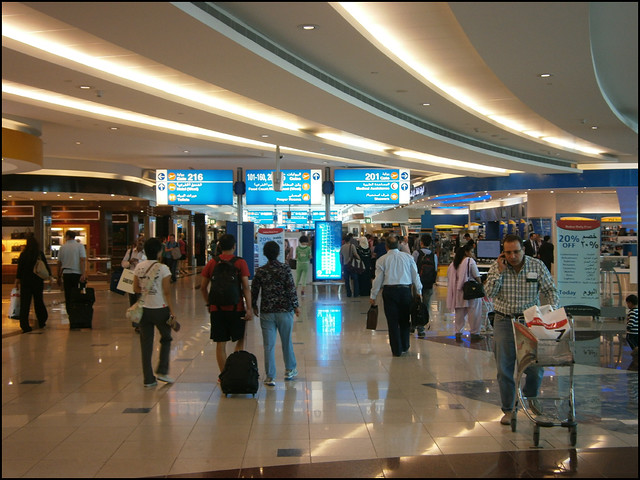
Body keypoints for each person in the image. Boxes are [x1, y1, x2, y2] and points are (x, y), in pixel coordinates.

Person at [484, 234, 559, 426]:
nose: (513, 256)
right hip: (504, 321)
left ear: (523, 250)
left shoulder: (536, 266)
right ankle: (509, 409)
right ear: (503, 252)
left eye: (516, 251)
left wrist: (551, 311)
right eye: (508, 252)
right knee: (504, 369)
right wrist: (500, 272)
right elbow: (489, 293)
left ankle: (530, 396)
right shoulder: (497, 267)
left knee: (535, 367)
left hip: (529, 321)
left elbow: (550, 289)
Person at [200, 234, 254, 377]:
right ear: (234, 246)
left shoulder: (212, 263)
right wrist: (249, 308)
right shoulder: (240, 263)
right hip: (236, 308)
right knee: (240, 337)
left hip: (216, 309)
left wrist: (209, 303)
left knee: (220, 342)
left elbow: (203, 287)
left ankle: (224, 375)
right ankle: (234, 370)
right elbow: (245, 287)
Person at [251, 241, 299, 386]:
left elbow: (255, 290)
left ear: (264, 254)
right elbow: (291, 288)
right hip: (285, 310)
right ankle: (290, 369)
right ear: (279, 253)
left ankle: (270, 376)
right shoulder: (285, 268)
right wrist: (296, 306)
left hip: (267, 311)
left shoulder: (261, 271)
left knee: (268, 345)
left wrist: (253, 305)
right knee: (286, 341)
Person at [133, 237, 176, 387]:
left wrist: (146, 290)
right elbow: (167, 292)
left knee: (146, 343)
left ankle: (148, 379)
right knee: (166, 337)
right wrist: (172, 311)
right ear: (159, 251)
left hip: (144, 310)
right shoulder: (163, 269)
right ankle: (162, 370)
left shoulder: (139, 267)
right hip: (160, 308)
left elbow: (135, 289)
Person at [370, 234, 422, 357]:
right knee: (405, 319)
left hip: (390, 292)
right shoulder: (408, 258)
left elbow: (378, 279)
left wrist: (373, 295)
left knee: (392, 321)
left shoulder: (382, 260)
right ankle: (405, 345)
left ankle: (396, 350)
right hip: (405, 291)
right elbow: (415, 275)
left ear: (386, 246)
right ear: (398, 245)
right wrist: (419, 291)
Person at [446, 243, 483, 342]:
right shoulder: (470, 261)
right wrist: (480, 284)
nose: (472, 254)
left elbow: (449, 277)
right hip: (470, 291)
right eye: (471, 251)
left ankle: (458, 333)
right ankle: (475, 334)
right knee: (474, 313)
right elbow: (476, 276)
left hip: (458, 292)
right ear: (466, 252)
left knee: (459, 314)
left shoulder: (453, 264)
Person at [15, 236, 51, 333]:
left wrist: (17, 281)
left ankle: (24, 325)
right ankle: (42, 320)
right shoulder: (39, 254)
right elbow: (45, 267)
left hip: (25, 282)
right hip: (37, 281)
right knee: (38, 301)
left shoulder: (23, 254)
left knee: (25, 303)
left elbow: (20, 269)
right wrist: (49, 276)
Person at [412, 233, 438, 338]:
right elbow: (435, 269)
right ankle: (421, 328)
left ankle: (413, 324)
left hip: (418, 283)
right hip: (429, 284)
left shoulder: (416, 253)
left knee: (415, 304)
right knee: (425, 306)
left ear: (421, 242)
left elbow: (412, 268)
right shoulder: (434, 255)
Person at [57, 230, 87, 317]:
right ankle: (76, 311)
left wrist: (58, 276)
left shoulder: (63, 247)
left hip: (66, 273)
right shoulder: (80, 246)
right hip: (76, 273)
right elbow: (82, 260)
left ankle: (69, 312)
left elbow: (59, 262)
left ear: (67, 236)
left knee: (68, 294)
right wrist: (83, 273)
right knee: (76, 293)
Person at [340, 233, 360, 297]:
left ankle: (349, 293)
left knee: (346, 280)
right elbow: (355, 254)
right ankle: (356, 293)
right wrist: (359, 259)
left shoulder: (342, 247)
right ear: (350, 240)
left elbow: (340, 256)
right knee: (355, 279)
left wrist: (341, 264)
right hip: (352, 265)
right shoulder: (352, 246)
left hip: (345, 265)